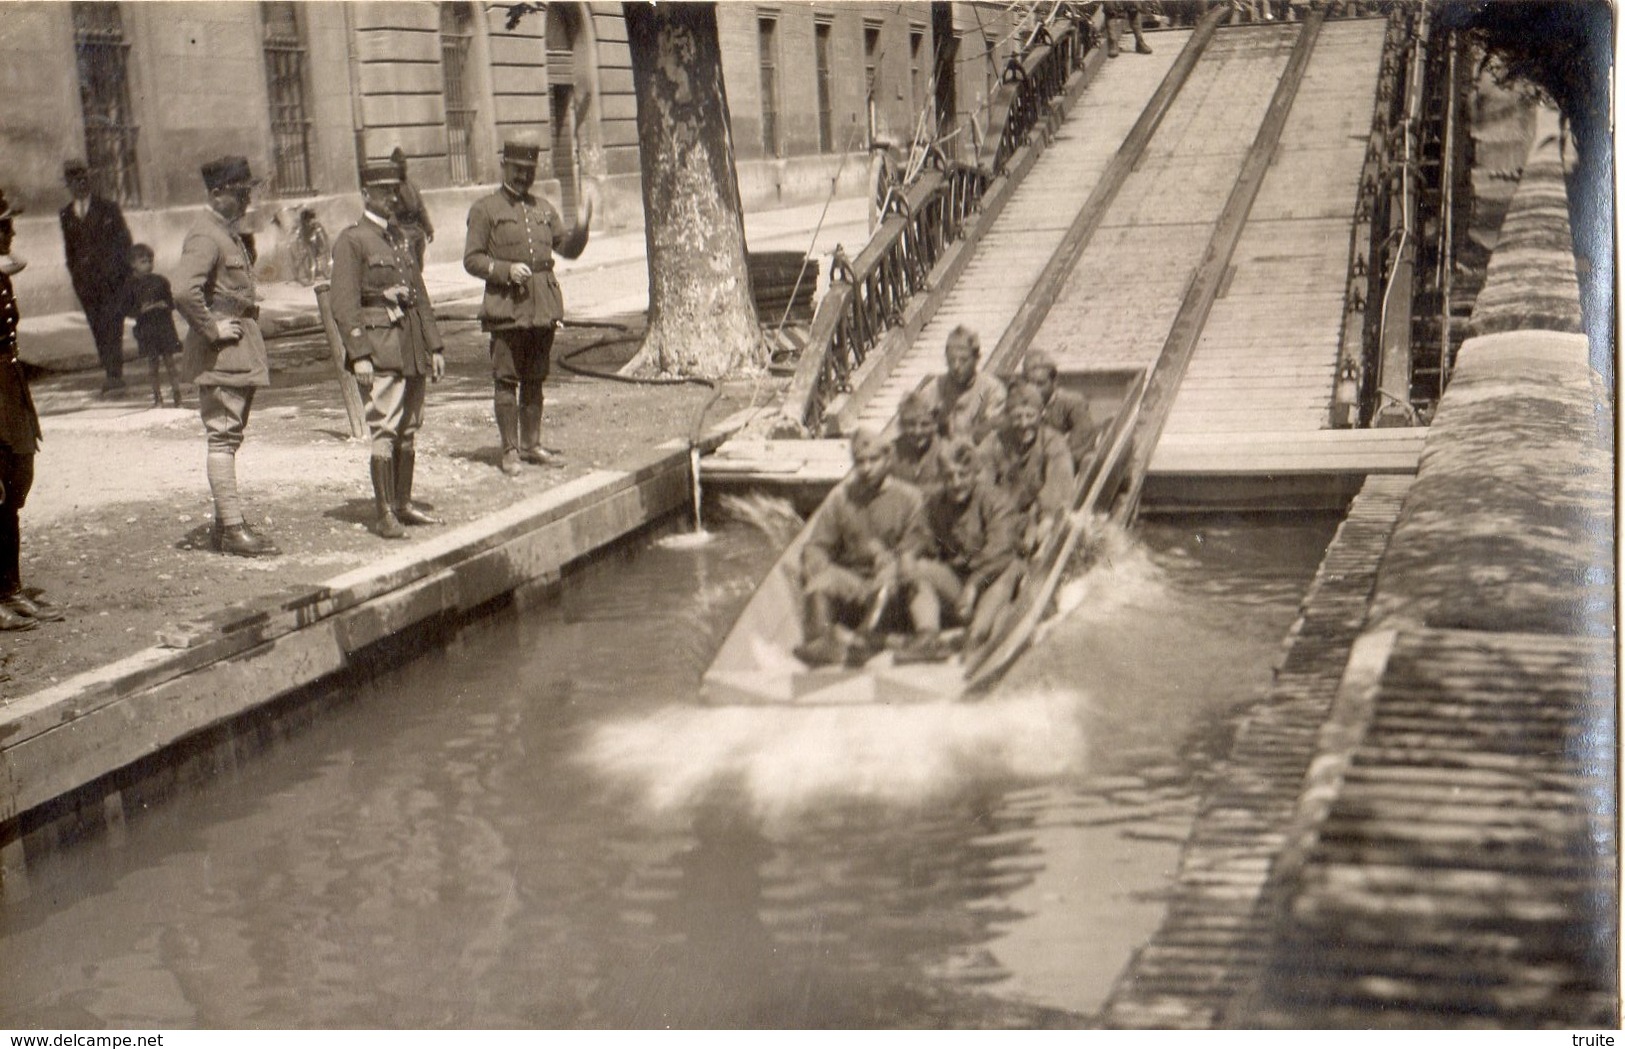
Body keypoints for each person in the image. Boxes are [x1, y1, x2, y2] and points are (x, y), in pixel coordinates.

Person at [330, 160, 447, 540]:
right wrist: (359, 353)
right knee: (385, 427)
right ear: (366, 194)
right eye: (384, 192)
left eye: (396, 191)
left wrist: (435, 345)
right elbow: (344, 304)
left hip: (411, 346)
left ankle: (403, 504)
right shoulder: (353, 240)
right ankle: (384, 514)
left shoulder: (401, 238)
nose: (392, 198)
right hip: (380, 348)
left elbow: (420, 295)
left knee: (409, 427)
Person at [463, 134, 591, 477]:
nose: (524, 176)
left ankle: (533, 444)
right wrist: (504, 270)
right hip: (506, 307)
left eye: (529, 171)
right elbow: (472, 260)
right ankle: (510, 451)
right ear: (504, 166)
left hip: (542, 306)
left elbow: (568, 249)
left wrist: (584, 222)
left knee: (535, 377)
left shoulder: (544, 209)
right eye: (518, 169)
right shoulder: (484, 210)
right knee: (506, 378)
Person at [173, 155, 279, 558]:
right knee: (222, 435)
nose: (247, 201)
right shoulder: (206, 235)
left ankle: (224, 525)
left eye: (248, 192)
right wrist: (212, 327)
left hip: (238, 351)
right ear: (217, 194)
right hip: (221, 353)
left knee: (229, 436)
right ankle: (232, 530)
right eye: (240, 193)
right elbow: (184, 290)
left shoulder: (225, 233)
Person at [795, 428, 927, 668]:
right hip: (854, 581)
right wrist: (817, 566)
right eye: (860, 462)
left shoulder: (910, 498)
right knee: (821, 582)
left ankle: (864, 642)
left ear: (888, 460)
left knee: (887, 583)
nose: (866, 468)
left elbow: (915, 545)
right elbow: (817, 545)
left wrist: (894, 565)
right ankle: (820, 644)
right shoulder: (841, 498)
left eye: (873, 460)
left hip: (892, 583)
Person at [0, 189, 65, 631]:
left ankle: (11, 588)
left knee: (16, 482)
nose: (12, 232)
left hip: (8, 389)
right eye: (4, 226)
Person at [900, 438, 1019, 660]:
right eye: (949, 477)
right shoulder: (937, 502)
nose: (955, 483)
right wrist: (907, 555)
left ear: (975, 475)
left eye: (962, 475)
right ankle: (928, 637)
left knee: (1011, 567)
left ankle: (976, 635)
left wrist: (974, 584)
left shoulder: (995, 500)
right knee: (919, 568)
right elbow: (919, 533)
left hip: (990, 582)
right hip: (960, 584)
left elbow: (1000, 549)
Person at [60, 159, 133, 395]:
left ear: (89, 179)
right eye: (75, 180)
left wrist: (121, 275)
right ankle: (110, 370)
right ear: (68, 184)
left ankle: (115, 374)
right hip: (86, 284)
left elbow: (124, 243)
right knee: (97, 326)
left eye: (84, 178)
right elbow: (69, 250)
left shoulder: (108, 208)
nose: (81, 183)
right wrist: (76, 277)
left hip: (111, 281)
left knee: (113, 324)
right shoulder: (66, 214)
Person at [977, 381, 1076, 555]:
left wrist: (1042, 521)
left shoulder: (1053, 442)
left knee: (1042, 536)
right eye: (1017, 417)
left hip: (1038, 517)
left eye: (1030, 416)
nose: (1024, 424)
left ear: (1041, 415)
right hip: (1001, 516)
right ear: (1008, 416)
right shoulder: (995, 441)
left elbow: (1056, 493)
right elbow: (981, 484)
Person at [119, 243, 183, 408]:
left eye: (150, 260)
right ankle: (157, 397)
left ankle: (177, 395)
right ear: (133, 264)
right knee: (152, 363)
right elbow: (126, 309)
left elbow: (171, 301)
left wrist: (165, 304)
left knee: (170, 362)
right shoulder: (129, 285)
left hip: (164, 326)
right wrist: (140, 309)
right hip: (146, 329)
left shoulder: (161, 281)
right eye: (143, 261)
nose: (148, 264)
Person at [926, 325, 1006, 445]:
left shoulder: (991, 389)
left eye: (963, 360)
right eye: (951, 360)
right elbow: (916, 415)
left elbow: (990, 432)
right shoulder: (937, 386)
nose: (956, 366)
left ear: (977, 358)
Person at [1022, 350, 1099, 468]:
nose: (1035, 389)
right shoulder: (1024, 406)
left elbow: (1084, 437)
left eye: (1041, 384)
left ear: (1055, 382)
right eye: (1030, 384)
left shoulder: (1072, 402)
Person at [890, 390, 948, 493]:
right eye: (911, 424)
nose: (917, 431)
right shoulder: (890, 452)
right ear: (902, 425)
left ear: (935, 425)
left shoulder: (947, 450)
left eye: (925, 424)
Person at [391, 147, 433, 269]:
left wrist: (428, 229)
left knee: (418, 267)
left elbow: (421, 208)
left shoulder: (412, 185)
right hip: (402, 229)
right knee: (407, 267)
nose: (403, 166)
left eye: (404, 163)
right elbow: (389, 213)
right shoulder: (391, 188)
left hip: (416, 230)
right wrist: (397, 231)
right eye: (399, 164)